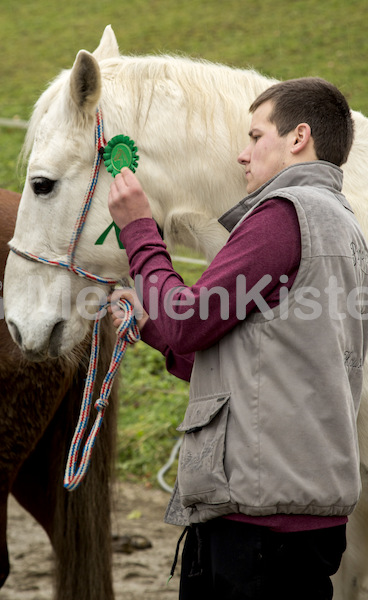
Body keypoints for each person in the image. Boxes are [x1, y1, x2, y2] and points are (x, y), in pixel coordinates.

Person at [107, 77, 368, 600]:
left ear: (298, 138)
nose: (242, 156)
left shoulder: (283, 215)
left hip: (259, 524)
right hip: (285, 511)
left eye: (254, 136)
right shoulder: (341, 224)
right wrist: (149, 324)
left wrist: (140, 230)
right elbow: (245, 352)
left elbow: (188, 320)